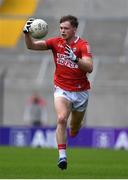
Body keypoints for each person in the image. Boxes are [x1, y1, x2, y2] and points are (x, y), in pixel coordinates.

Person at [23, 15, 93, 170]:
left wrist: (75, 59)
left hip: (81, 92)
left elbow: (89, 67)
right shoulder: (55, 43)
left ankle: (76, 126)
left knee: (74, 127)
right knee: (61, 118)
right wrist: (26, 33)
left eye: (66, 28)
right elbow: (31, 46)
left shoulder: (82, 45)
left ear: (74, 29)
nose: (62, 31)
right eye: (61, 28)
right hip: (62, 89)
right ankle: (62, 156)